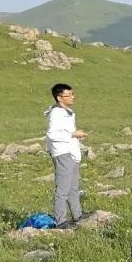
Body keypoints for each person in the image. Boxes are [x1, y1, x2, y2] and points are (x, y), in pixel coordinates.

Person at [44, 83, 90, 228]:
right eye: (68, 95)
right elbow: (52, 134)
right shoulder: (56, 113)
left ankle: (78, 214)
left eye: (72, 94)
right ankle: (60, 221)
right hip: (62, 153)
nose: (72, 97)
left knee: (73, 186)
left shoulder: (67, 111)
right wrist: (73, 134)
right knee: (63, 188)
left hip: (71, 153)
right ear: (59, 97)